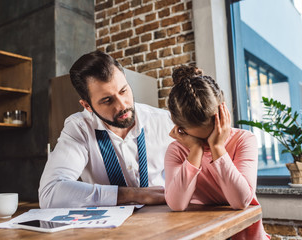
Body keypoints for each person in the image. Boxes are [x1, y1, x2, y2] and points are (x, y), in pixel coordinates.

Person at [39, 50, 174, 208]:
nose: (122, 105)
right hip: (107, 229)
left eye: (123, 91)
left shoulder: (164, 121)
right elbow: (50, 194)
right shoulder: (79, 128)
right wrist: (135, 195)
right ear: (87, 106)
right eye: (107, 100)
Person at [164, 65, 270, 239]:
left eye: (212, 133)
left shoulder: (244, 140)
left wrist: (218, 148)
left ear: (223, 111)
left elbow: (240, 201)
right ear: (180, 128)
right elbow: (177, 204)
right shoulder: (176, 150)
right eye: (200, 139)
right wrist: (195, 151)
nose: (208, 143)